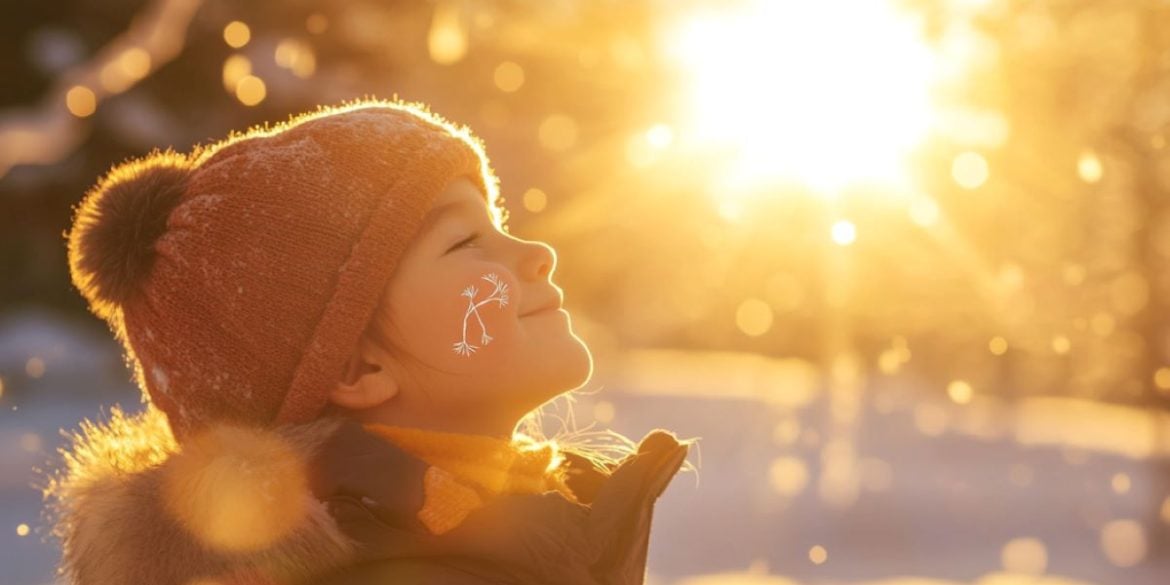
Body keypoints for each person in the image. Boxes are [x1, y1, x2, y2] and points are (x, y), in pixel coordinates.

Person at [45, 99, 691, 585]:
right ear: (358, 365)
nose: (538, 253)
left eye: (500, 224)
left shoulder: (514, 520)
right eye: (465, 242)